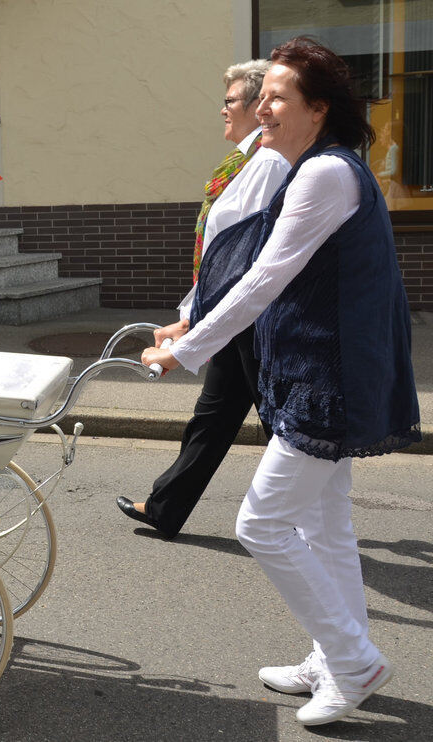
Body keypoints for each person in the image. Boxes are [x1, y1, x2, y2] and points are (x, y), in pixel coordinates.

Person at [141, 38, 420, 726]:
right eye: (259, 95)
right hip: (312, 369)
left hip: (330, 375)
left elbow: (266, 277)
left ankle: (354, 662)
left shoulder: (327, 174)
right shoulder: (306, 167)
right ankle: (334, 655)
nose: (261, 107)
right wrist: (190, 321)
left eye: (277, 97)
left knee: (261, 523)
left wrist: (191, 348)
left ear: (318, 109)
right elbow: (238, 251)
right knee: (326, 527)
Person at [116, 60, 290, 538]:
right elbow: (222, 253)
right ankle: (165, 507)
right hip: (230, 314)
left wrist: (190, 327)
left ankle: (300, 520)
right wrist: (189, 315)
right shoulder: (246, 161)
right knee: (213, 417)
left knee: (281, 426)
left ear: (259, 107)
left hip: (253, 317)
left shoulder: (269, 163)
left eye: (231, 100)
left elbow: (243, 258)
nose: (222, 109)